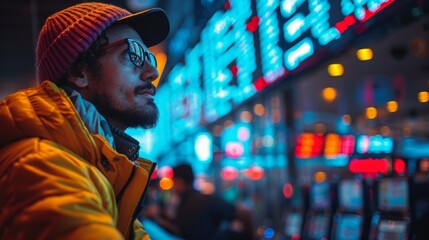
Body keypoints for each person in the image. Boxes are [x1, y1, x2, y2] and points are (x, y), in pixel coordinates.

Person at [0, 2, 169, 239]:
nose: (153, 72)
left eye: (148, 56)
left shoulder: (104, 167)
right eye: (134, 54)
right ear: (80, 73)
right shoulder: (40, 166)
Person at [147, 163, 256, 240]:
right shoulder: (189, 202)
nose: (173, 187)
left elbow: (244, 214)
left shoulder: (203, 201)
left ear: (180, 181)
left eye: (174, 182)